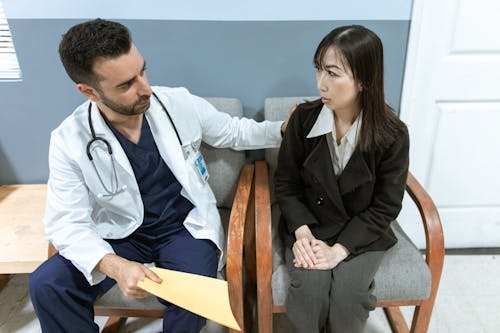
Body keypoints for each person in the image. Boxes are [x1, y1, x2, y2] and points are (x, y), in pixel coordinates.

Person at [29, 19, 290, 333]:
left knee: (195, 293)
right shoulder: (69, 140)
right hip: (121, 233)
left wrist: (281, 129)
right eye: (126, 85)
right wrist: (113, 265)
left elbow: (233, 132)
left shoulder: (176, 102)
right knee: (47, 284)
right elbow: (65, 222)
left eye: (142, 70)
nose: (145, 88)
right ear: (89, 91)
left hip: (182, 229)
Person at [274, 25, 409, 333]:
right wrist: (303, 234)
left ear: (363, 80)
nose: (321, 83)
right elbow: (286, 184)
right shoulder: (303, 119)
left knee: (349, 297)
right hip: (311, 224)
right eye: (319, 70)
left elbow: (386, 206)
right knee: (309, 291)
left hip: (361, 231)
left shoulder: (393, 134)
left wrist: (340, 250)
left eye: (333, 73)